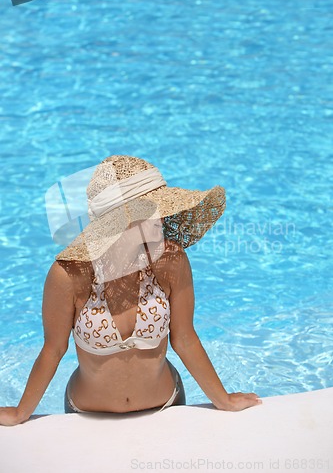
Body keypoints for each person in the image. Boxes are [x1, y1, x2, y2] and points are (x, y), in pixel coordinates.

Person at [0, 155, 262, 425]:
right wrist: (21, 413)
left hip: (167, 403)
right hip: (87, 415)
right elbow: (53, 350)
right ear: (121, 220)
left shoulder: (170, 261)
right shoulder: (69, 275)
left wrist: (223, 400)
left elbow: (184, 338)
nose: (161, 217)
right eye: (151, 210)